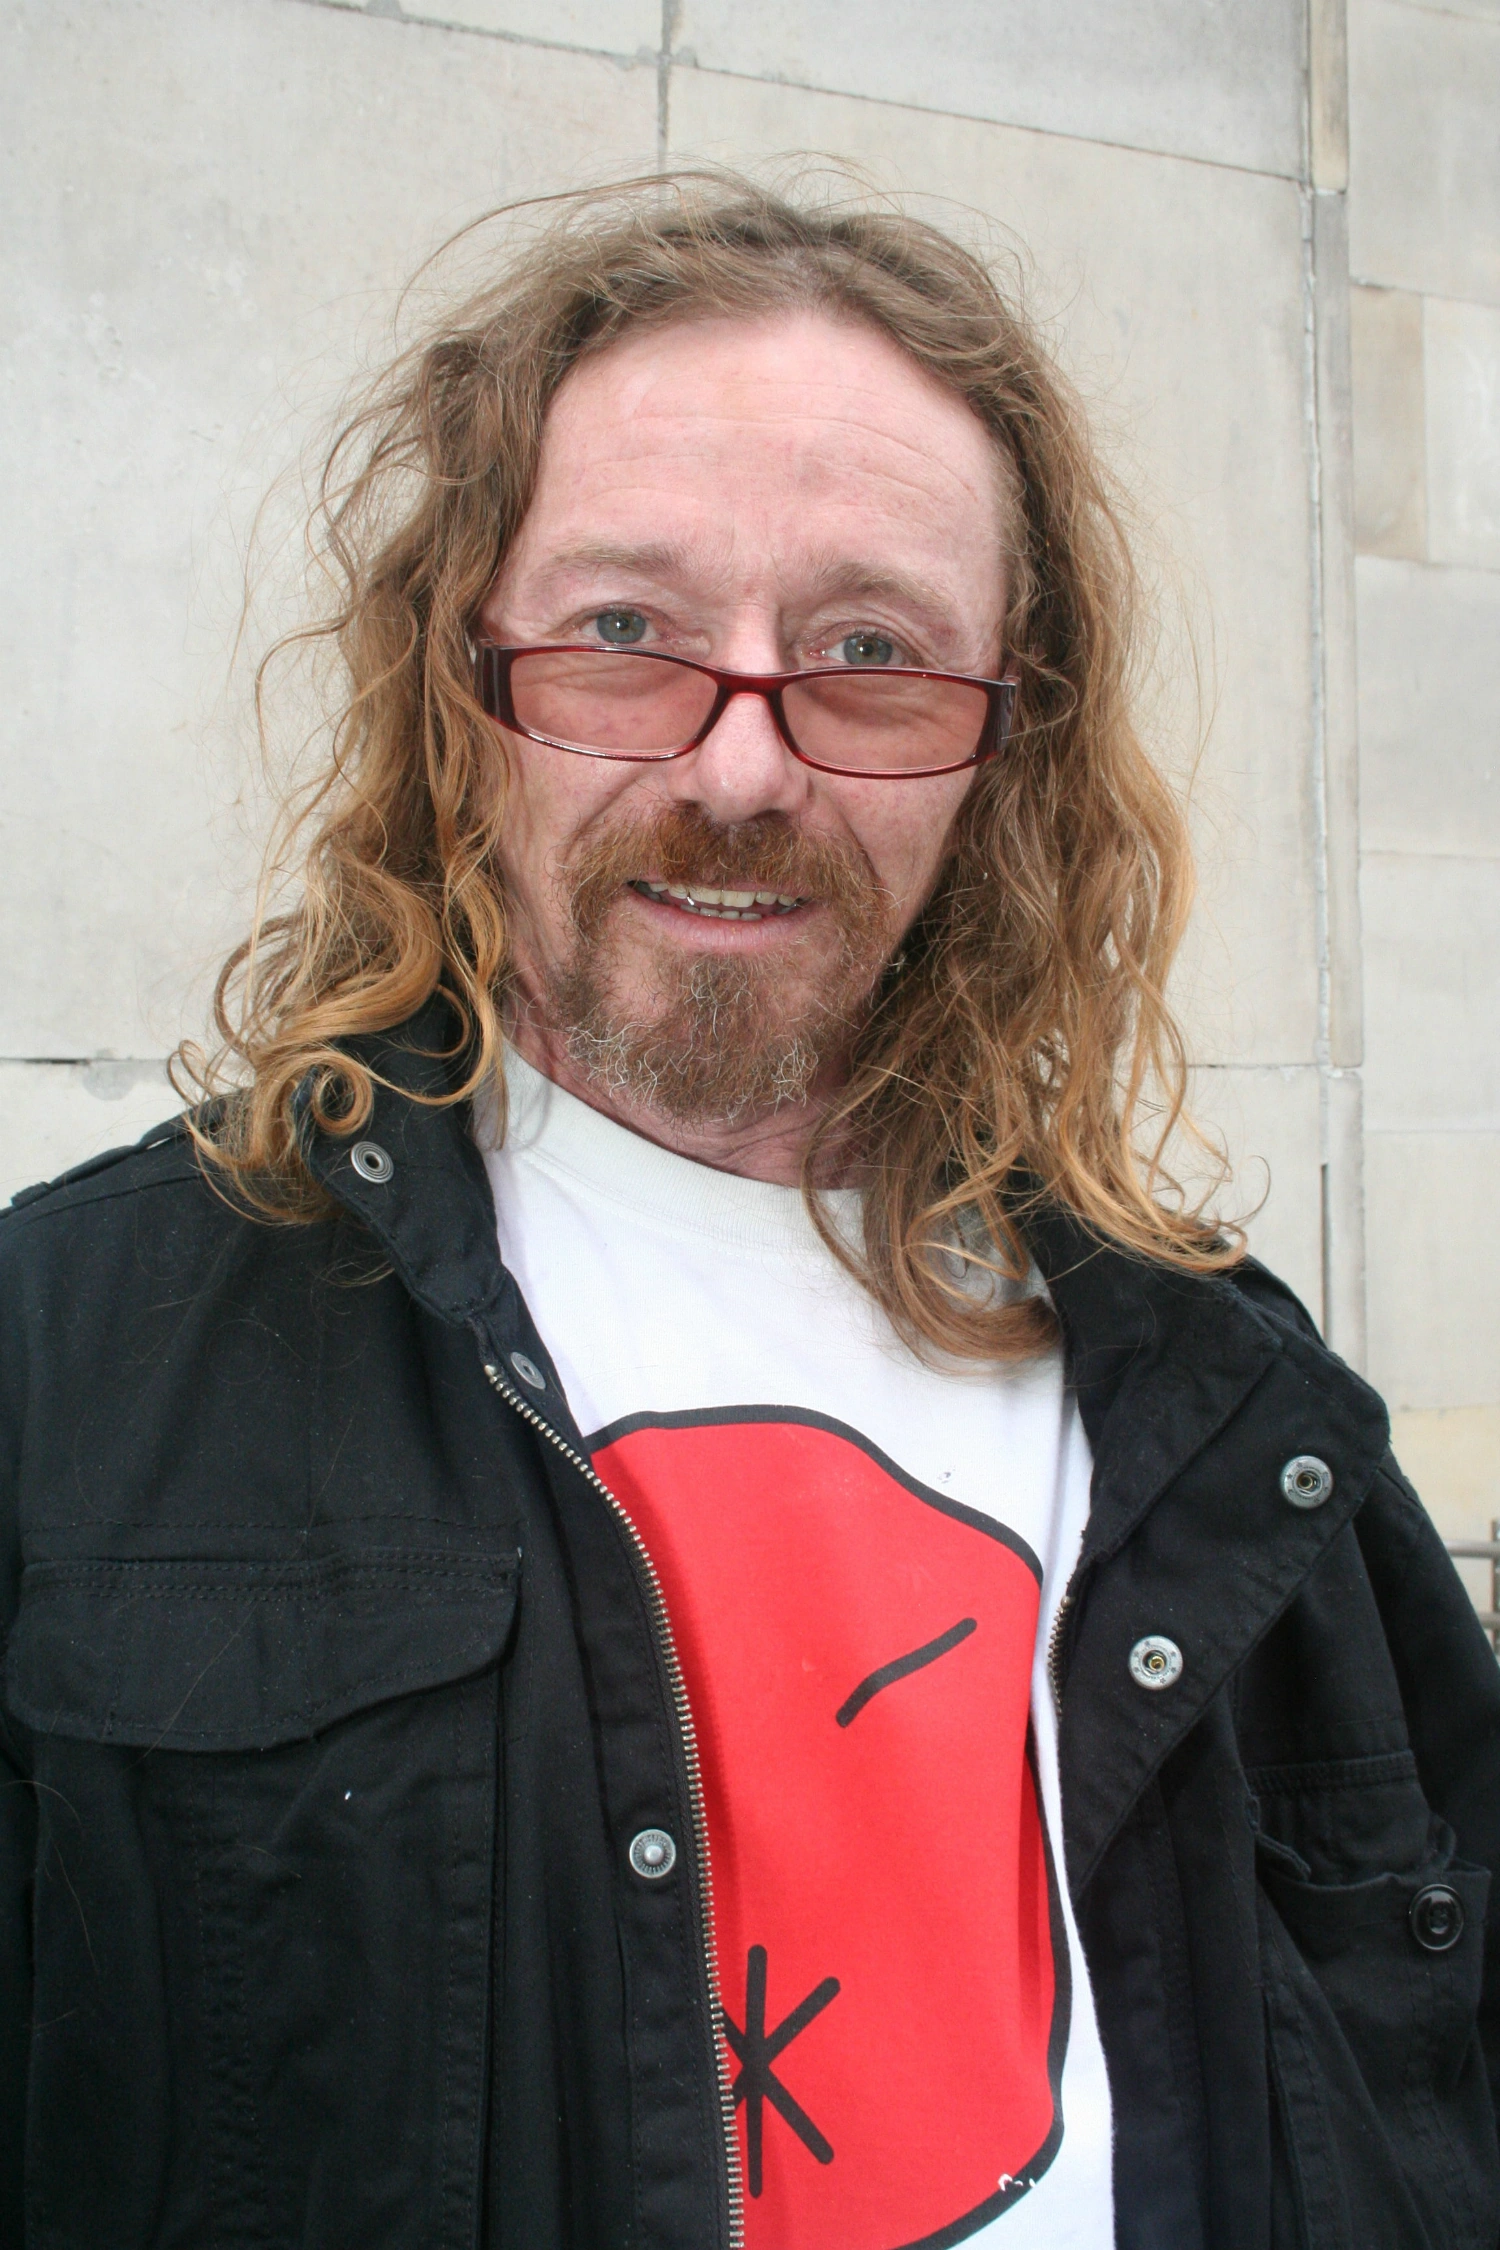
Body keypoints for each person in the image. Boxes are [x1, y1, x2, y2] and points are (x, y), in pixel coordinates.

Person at [1, 174, 1496, 2250]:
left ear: (1009, 746)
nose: (740, 768)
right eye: (625, 634)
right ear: (461, 682)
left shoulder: (1249, 1428)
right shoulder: (67, 1365)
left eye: (871, 654)